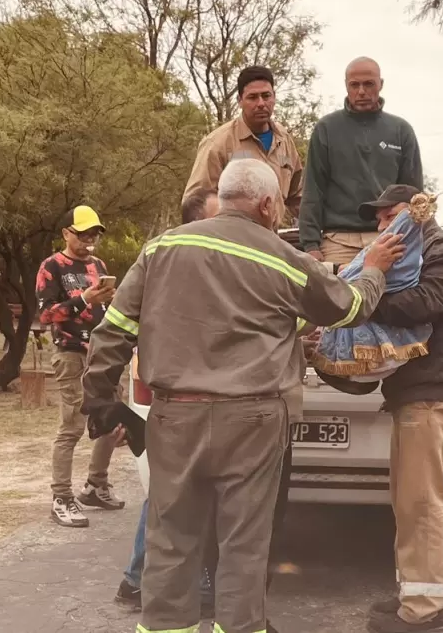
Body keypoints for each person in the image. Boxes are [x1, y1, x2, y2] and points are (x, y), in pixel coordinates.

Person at [82, 159, 404, 633]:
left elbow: (113, 331)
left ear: (224, 194)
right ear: (268, 204)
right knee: (243, 544)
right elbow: (347, 308)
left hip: (175, 417)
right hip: (252, 422)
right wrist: (373, 269)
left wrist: (99, 401)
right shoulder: (282, 259)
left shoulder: (164, 247)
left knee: (171, 541)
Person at [358, 185, 443, 633]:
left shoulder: (442, 246)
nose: (381, 226)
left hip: (432, 388)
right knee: (409, 502)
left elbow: (429, 302)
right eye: (379, 220)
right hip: (416, 390)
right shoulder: (423, 250)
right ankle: (413, 594)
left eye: (389, 217)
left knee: (422, 503)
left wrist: (365, 300)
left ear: (416, 213)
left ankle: (424, 613)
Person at [115, 187, 220, 612]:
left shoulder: (177, 260)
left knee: (169, 491)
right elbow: (124, 324)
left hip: (183, 395)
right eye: (218, 217)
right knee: (175, 493)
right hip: (177, 396)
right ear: (195, 222)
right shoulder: (172, 264)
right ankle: (150, 581)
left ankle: (137, 580)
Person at [36, 205, 123, 528]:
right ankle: (61, 496)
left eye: (94, 235)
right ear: (66, 234)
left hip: (102, 352)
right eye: (83, 234)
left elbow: (108, 307)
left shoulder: (97, 265)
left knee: (112, 420)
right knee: (72, 425)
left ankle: (96, 485)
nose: (89, 241)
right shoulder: (52, 267)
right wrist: (84, 299)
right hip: (70, 352)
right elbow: (45, 315)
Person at [299, 57, 424, 265]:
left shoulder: (401, 130)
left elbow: (414, 195)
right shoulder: (327, 129)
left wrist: (413, 239)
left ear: (381, 84)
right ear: (346, 86)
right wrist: (311, 246)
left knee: (398, 296)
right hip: (338, 241)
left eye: (369, 84)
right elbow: (313, 190)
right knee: (338, 296)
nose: (361, 91)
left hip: (389, 237)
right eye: (354, 85)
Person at [182, 65, 303, 223]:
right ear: (240, 100)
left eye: (266, 96)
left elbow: (298, 198)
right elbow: (194, 204)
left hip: (274, 240)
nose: (261, 103)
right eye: (252, 97)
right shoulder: (218, 143)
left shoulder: (284, 140)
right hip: (233, 241)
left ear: (274, 97)